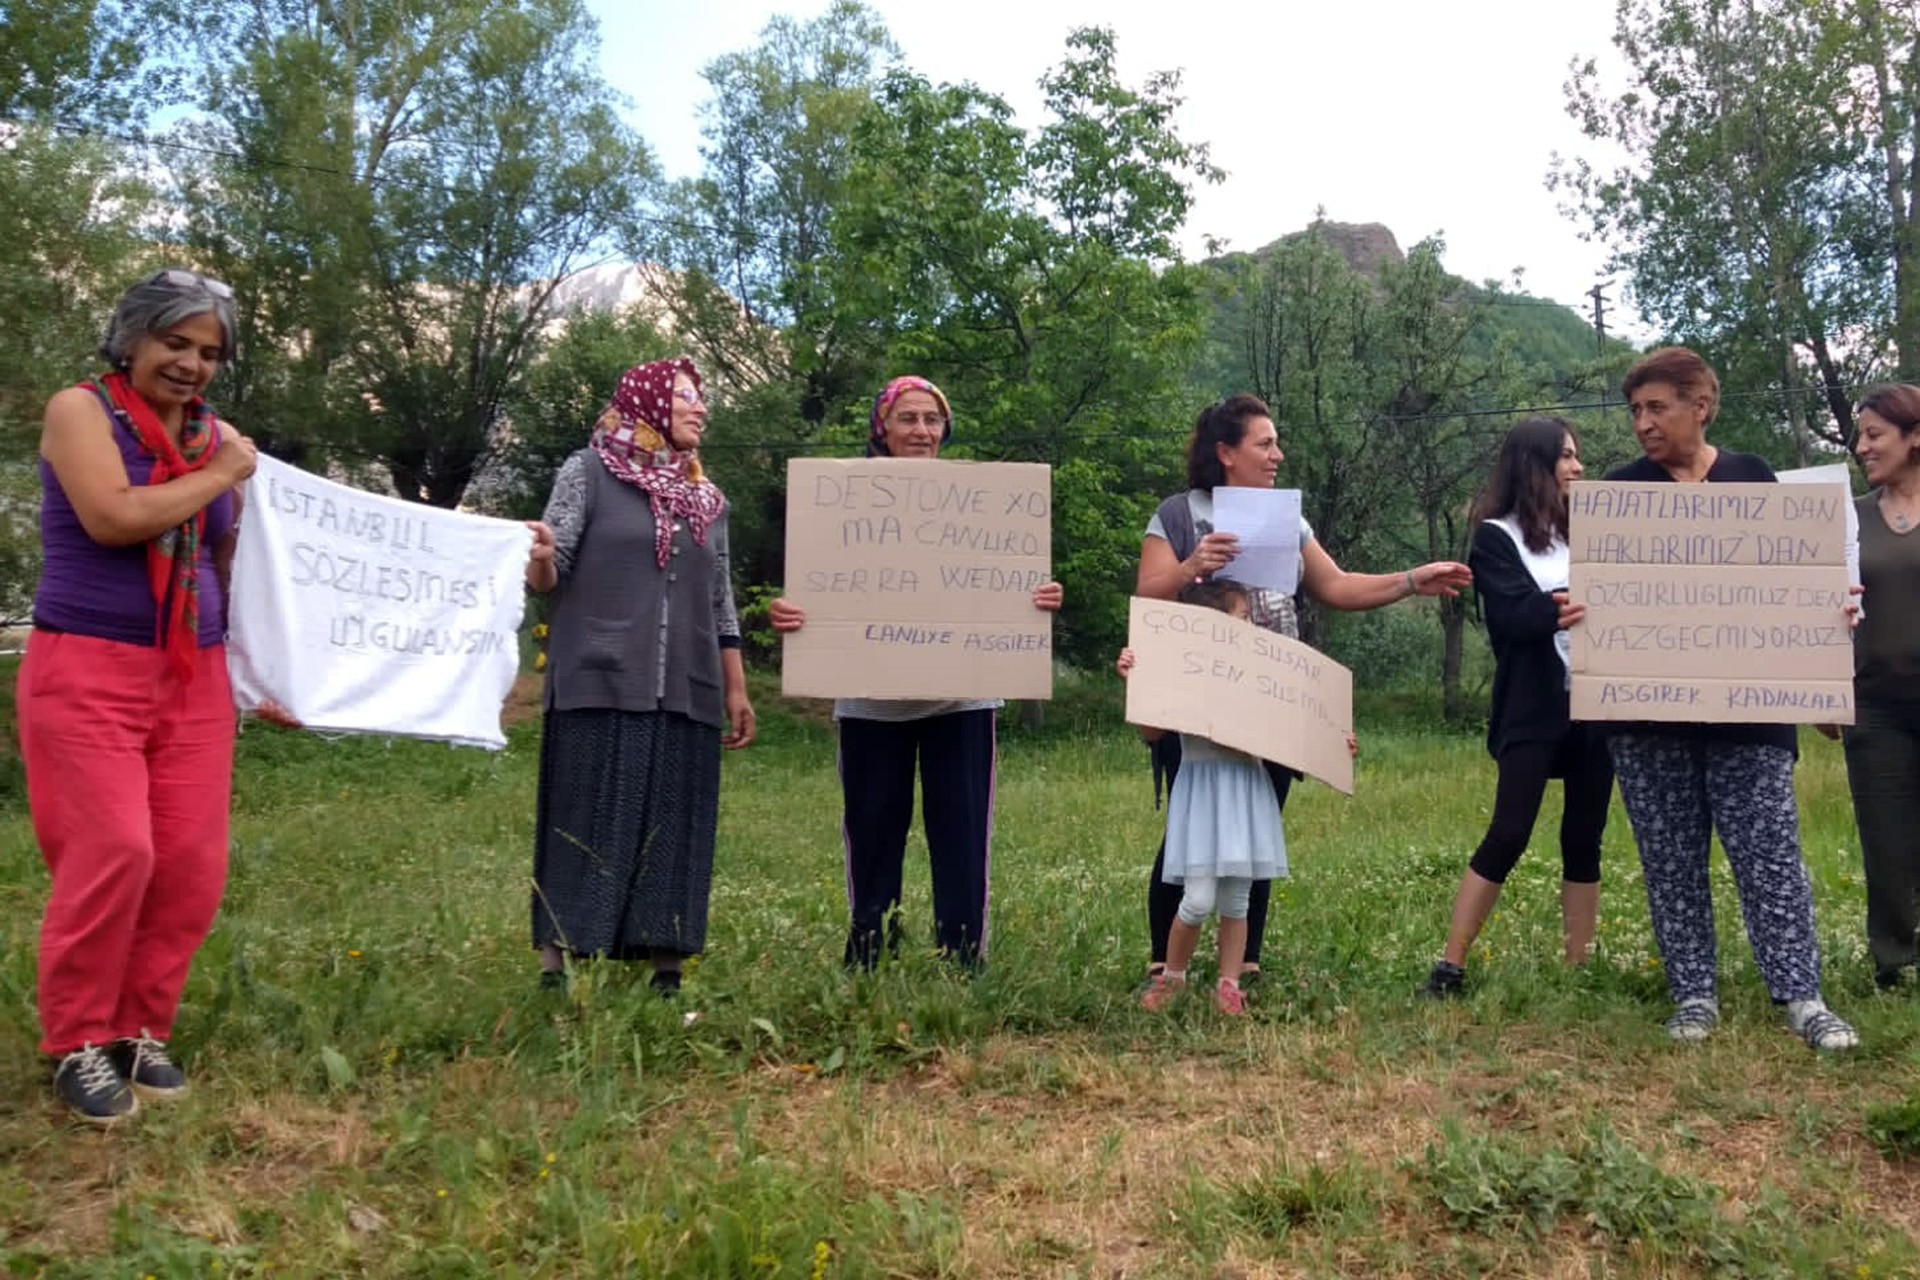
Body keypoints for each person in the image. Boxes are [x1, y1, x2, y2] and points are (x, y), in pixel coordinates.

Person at [22, 268, 260, 1124]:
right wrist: (226, 470)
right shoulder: (80, 411)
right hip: (88, 667)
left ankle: (138, 1028)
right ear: (132, 338)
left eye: (209, 353)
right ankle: (78, 1038)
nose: (193, 365)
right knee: (114, 850)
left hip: (193, 674)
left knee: (192, 865)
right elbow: (115, 518)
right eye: (176, 343)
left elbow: (236, 565)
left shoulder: (213, 437)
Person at [1134, 394, 1472, 993]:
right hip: (1197, 703)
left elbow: (1335, 586)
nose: (1277, 454)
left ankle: (1242, 967)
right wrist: (1191, 567)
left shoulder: (1288, 520)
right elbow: (1148, 597)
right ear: (1225, 453)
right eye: (1264, 443)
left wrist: (1411, 580)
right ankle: (1168, 965)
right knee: (1190, 832)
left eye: (1275, 442)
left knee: (1256, 824)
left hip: (1274, 698)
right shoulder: (1178, 515)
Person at [1583, 346, 1855, 1049]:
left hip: (1750, 714)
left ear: (1699, 408)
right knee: (1671, 860)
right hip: (1647, 717)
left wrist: (1830, 605)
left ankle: (1802, 997)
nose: (1643, 423)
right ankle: (1694, 996)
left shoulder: (1752, 479)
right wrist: (1580, 613)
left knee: (1769, 854)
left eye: (1657, 408)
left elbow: (1790, 584)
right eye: (1635, 410)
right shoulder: (1618, 496)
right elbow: (1600, 601)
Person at [768, 375, 1063, 970]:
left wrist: (1037, 597)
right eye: (908, 418)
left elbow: (1005, 585)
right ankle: (869, 951)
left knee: (961, 833)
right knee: (873, 830)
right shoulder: (838, 501)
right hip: (871, 704)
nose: (922, 430)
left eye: (932, 419)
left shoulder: (983, 504)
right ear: (883, 426)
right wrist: (791, 613)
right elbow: (817, 588)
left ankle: (962, 956)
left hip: (963, 701)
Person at [524, 357, 755, 997]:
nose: (699, 408)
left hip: (688, 685)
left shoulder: (708, 498)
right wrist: (539, 559)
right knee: (587, 815)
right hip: (598, 679)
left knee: (672, 823)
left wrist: (736, 687)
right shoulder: (589, 472)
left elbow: (720, 599)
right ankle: (556, 964)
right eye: (686, 397)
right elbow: (551, 571)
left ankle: (666, 967)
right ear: (648, 402)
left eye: (700, 399)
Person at [1418, 418, 1614, 998]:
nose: (1578, 468)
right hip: (1532, 708)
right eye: (1568, 458)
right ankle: (1451, 965)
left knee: (1585, 837)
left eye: (1579, 457)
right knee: (1509, 832)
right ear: (1536, 464)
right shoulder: (1495, 537)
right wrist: (1561, 606)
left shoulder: (1594, 531)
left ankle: (1581, 969)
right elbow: (1510, 618)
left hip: (1596, 704)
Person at [1117, 581, 1281, 1015]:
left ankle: (1228, 984)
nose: (1249, 627)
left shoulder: (1259, 677)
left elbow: (1285, 735)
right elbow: (1152, 733)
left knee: (1237, 898)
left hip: (1245, 790)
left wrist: (1336, 742)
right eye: (1241, 619)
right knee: (1199, 898)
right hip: (1204, 791)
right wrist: (1138, 679)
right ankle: (1172, 978)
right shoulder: (1184, 671)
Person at [1839, 383, 1920, 989]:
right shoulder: (1850, 519)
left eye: (1875, 434)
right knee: (1885, 842)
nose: (1861, 445)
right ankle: (1892, 964)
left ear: (1915, 437)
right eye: (1860, 434)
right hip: (1874, 706)